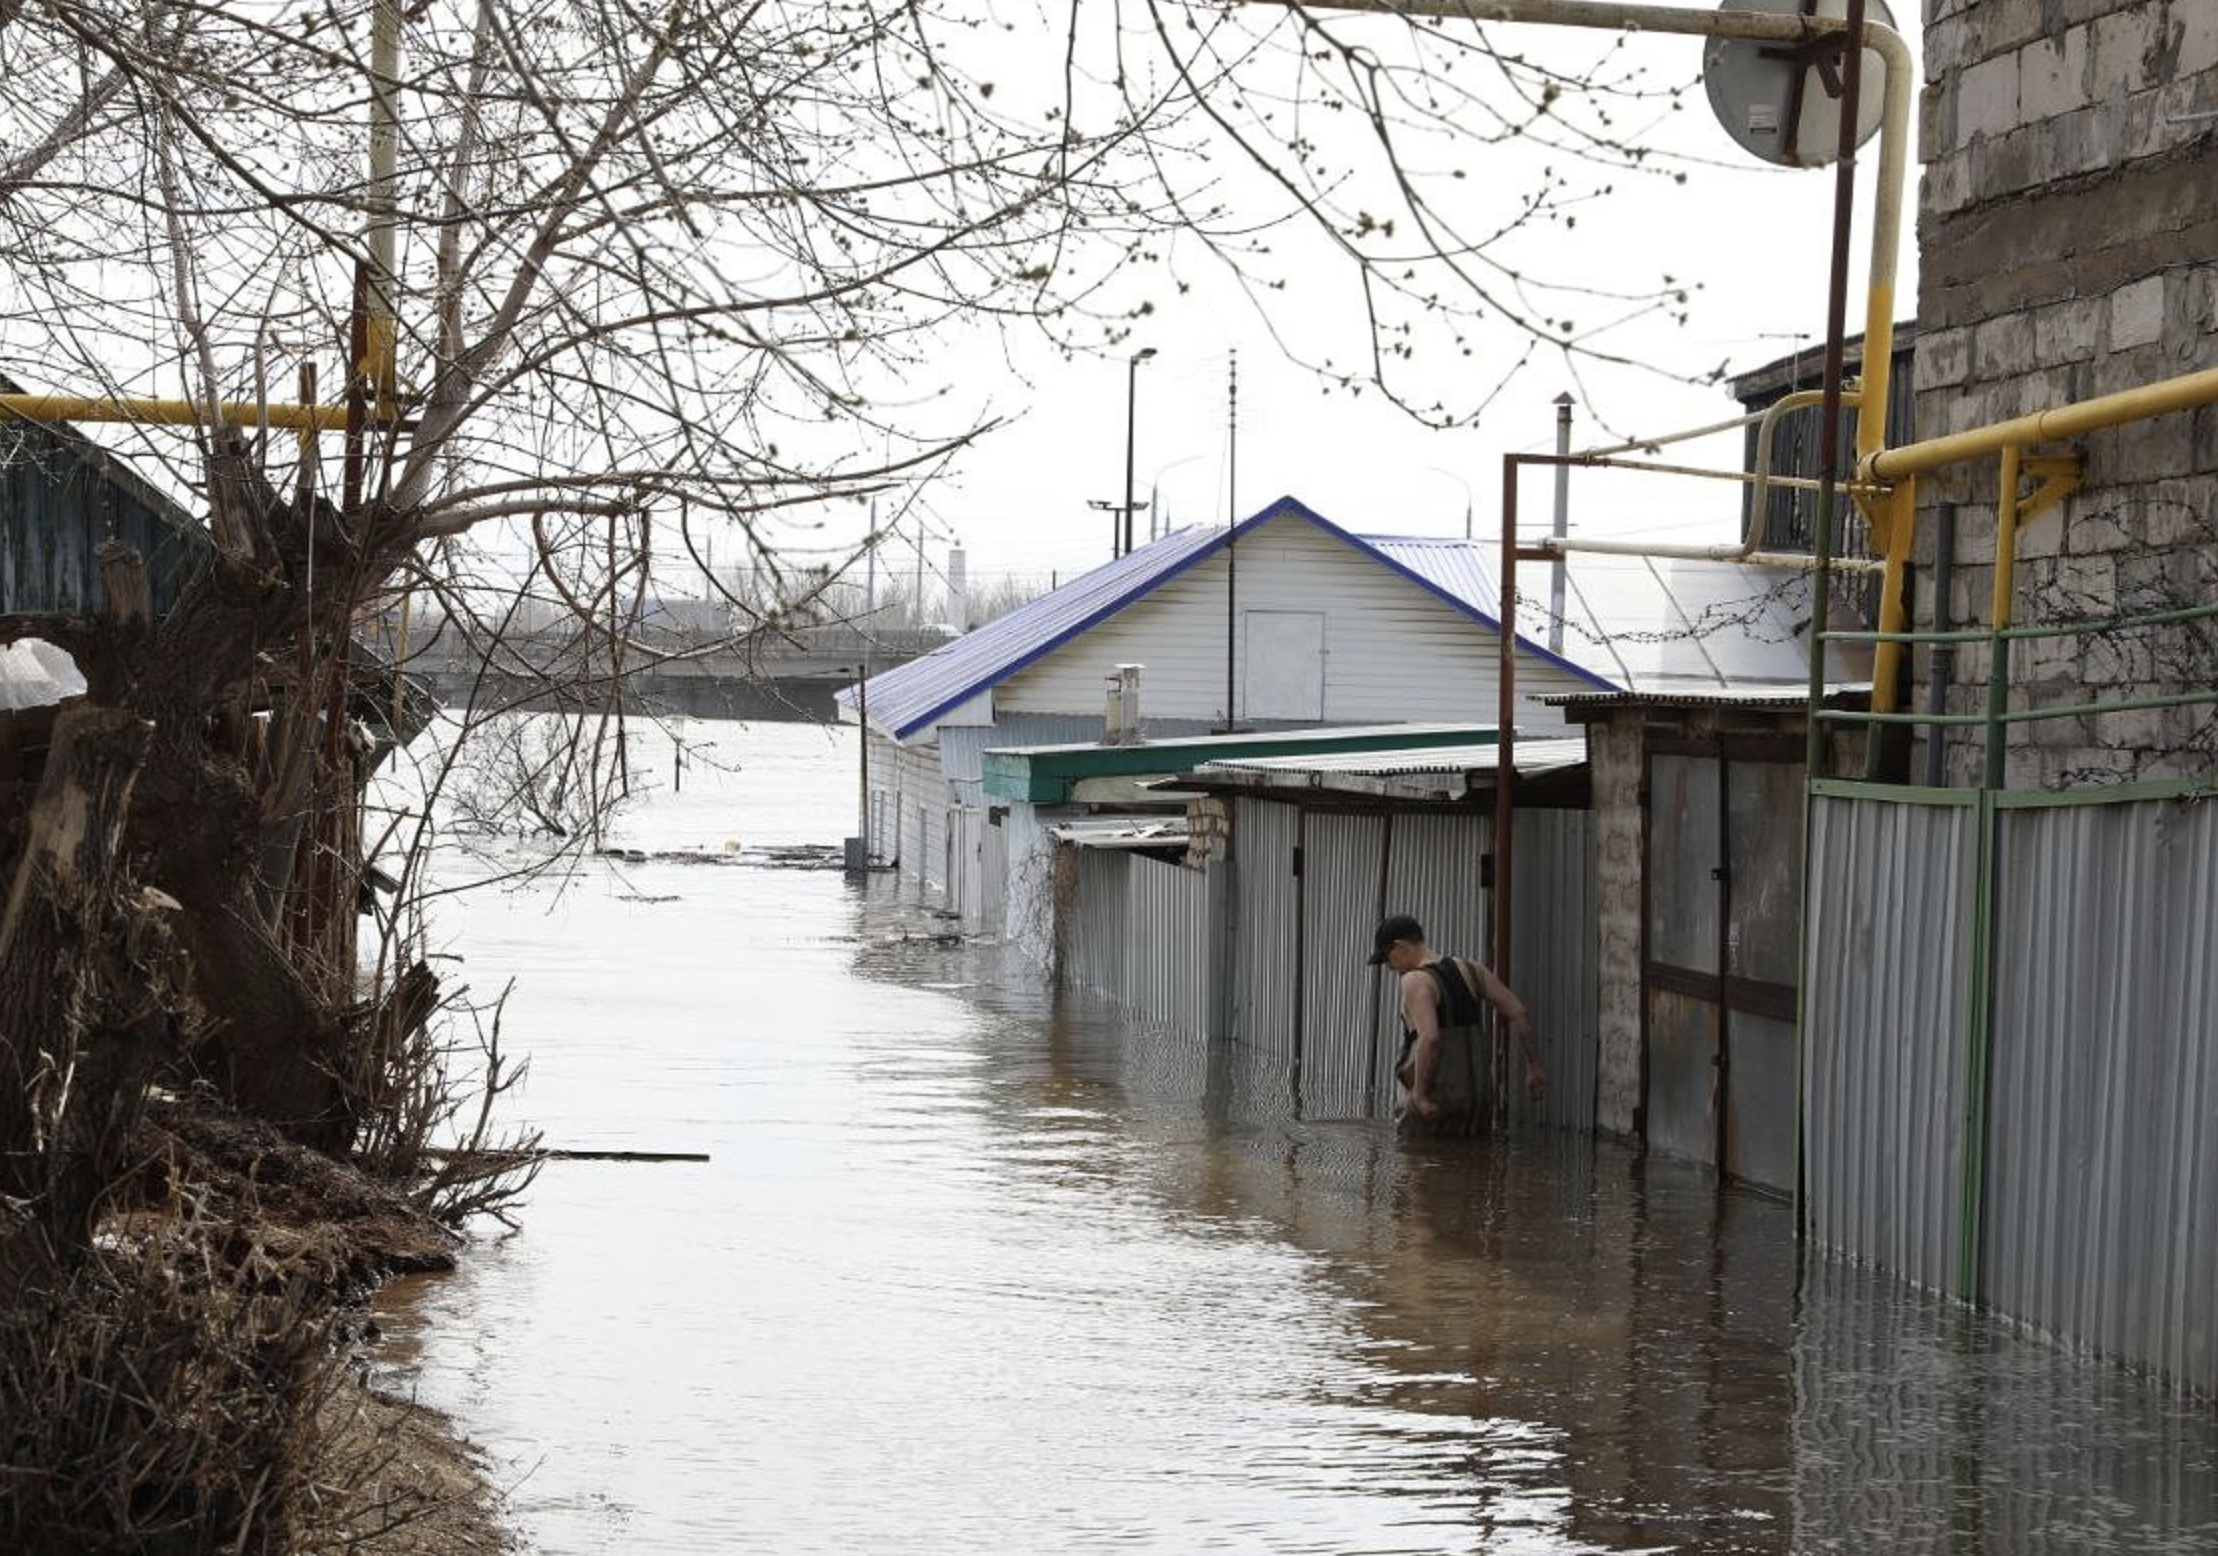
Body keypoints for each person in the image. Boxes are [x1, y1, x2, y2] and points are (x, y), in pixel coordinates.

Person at [1368, 914, 1546, 1131]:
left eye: (1386, 958)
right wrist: (1534, 1065)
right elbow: (1519, 1013)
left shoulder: (1414, 980)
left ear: (1400, 946)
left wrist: (1420, 1095)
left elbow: (1430, 1038)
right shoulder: (1473, 969)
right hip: (1477, 1101)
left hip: (1433, 1101)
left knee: (1417, 1152)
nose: (1389, 967)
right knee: (1473, 1153)